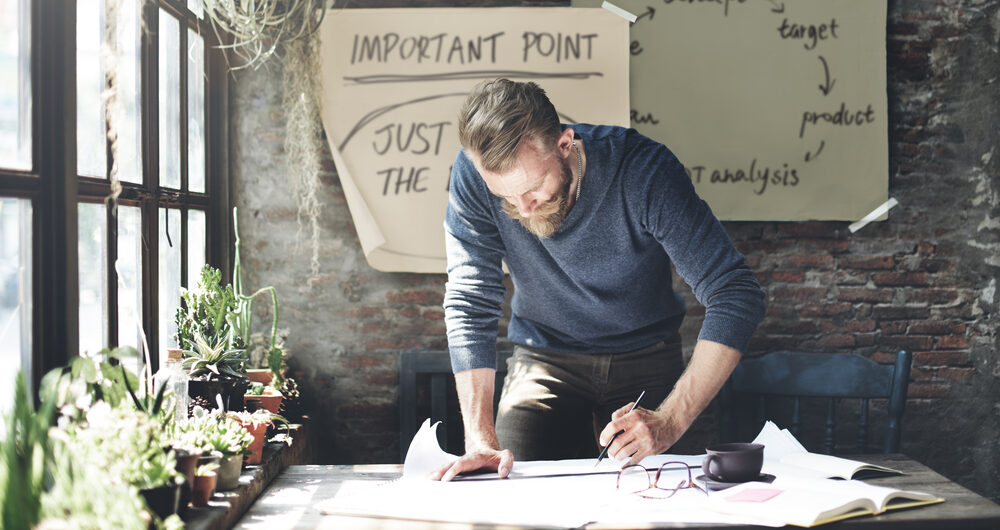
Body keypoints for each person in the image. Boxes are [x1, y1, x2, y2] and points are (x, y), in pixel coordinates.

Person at [431, 79, 766, 481]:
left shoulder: (643, 172)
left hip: (645, 355)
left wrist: (670, 421)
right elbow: (470, 302)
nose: (522, 209)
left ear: (565, 144)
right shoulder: (472, 175)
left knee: (666, 495)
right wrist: (479, 439)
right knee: (506, 485)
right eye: (505, 196)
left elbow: (735, 293)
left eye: (534, 188)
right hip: (544, 358)